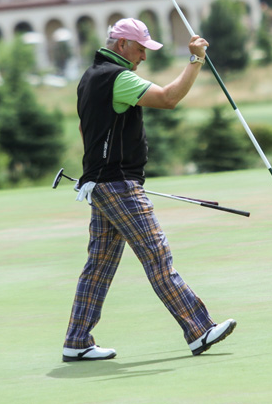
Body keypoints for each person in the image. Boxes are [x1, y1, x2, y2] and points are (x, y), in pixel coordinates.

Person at [62, 18, 236, 362]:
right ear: (123, 45)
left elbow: (85, 129)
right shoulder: (119, 77)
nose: (143, 56)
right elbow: (169, 98)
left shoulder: (89, 77)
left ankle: (77, 340)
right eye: (141, 49)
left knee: (99, 265)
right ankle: (199, 329)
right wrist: (196, 60)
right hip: (119, 184)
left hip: (100, 182)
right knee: (157, 256)